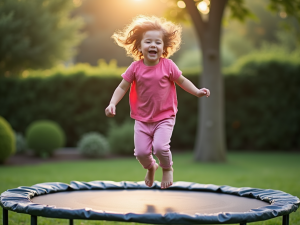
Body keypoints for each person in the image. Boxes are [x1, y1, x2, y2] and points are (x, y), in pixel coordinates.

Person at [105, 16, 210, 189]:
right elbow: (122, 87)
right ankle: (151, 167)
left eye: (158, 42)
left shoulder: (168, 65)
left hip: (164, 117)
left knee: (160, 148)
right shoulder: (135, 68)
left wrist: (197, 91)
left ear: (163, 48)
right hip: (142, 119)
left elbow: (182, 81)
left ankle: (167, 168)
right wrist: (112, 103)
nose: (153, 45)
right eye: (148, 42)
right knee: (141, 153)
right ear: (139, 46)